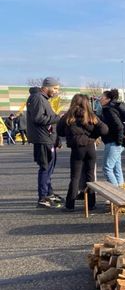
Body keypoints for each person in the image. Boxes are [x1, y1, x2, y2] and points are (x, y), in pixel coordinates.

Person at [57, 94, 108, 212]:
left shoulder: (68, 117)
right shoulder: (91, 116)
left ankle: (70, 204)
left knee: (75, 177)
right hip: (90, 147)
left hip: (77, 148)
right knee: (90, 176)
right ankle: (91, 203)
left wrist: (70, 134)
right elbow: (104, 129)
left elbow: (60, 131)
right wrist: (93, 136)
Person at [26, 77, 63, 208]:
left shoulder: (43, 99)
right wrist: (58, 117)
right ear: (46, 87)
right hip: (42, 139)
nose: (56, 91)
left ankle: (49, 193)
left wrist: (56, 139)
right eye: (55, 88)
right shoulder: (37, 98)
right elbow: (38, 118)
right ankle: (42, 197)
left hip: (47, 139)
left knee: (49, 168)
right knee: (45, 168)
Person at [99, 89, 125, 186]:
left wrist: (118, 142)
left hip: (113, 142)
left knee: (107, 168)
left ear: (108, 99)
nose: (100, 99)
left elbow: (119, 126)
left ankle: (116, 195)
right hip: (116, 142)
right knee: (116, 168)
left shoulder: (108, 110)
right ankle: (122, 193)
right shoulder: (114, 108)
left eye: (102, 97)